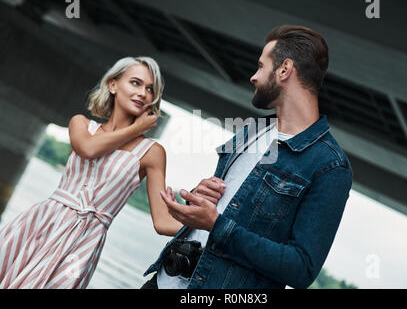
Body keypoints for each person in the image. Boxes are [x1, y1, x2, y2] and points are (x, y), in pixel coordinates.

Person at [141, 25, 353, 289]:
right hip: (160, 281)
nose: (253, 77)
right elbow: (231, 205)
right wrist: (200, 196)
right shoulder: (252, 130)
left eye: (261, 67)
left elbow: (301, 269)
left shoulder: (331, 167)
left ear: (284, 69)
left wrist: (217, 225)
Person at [0, 56, 184, 289]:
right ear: (113, 85)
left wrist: (210, 226)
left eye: (150, 89)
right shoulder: (82, 125)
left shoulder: (152, 152)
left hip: (84, 242)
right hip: (41, 223)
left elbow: (162, 222)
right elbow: (88, 149)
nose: (143, 93)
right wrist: (137, 128)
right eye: (135, 83)